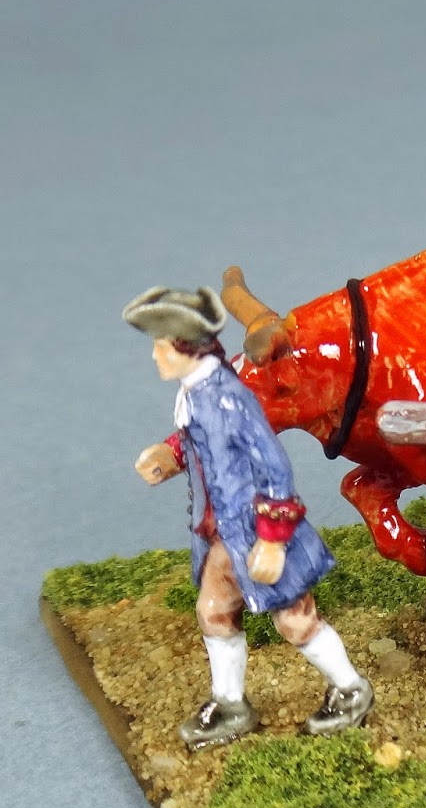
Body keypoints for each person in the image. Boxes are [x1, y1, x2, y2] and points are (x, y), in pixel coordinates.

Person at [125, 285, 373, 749]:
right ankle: (230, 704)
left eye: (161, 346)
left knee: (295, 621)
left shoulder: (228, 399)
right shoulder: (197, 394)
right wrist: (170, 453)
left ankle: (351, 689)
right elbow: (201, 440)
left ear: (185, 348)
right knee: (214, 610)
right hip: (224, 532)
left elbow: (274, 469)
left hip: (259, 532)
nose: (155, 355)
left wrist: (273, 541)